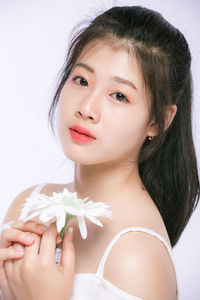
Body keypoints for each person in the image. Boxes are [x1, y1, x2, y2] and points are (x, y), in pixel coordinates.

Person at [0, 5, 199, 300]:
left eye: (119, 96)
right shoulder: (29, 205)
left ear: (158, 121)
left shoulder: (137, 257)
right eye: (81, 80)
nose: (87, 108)